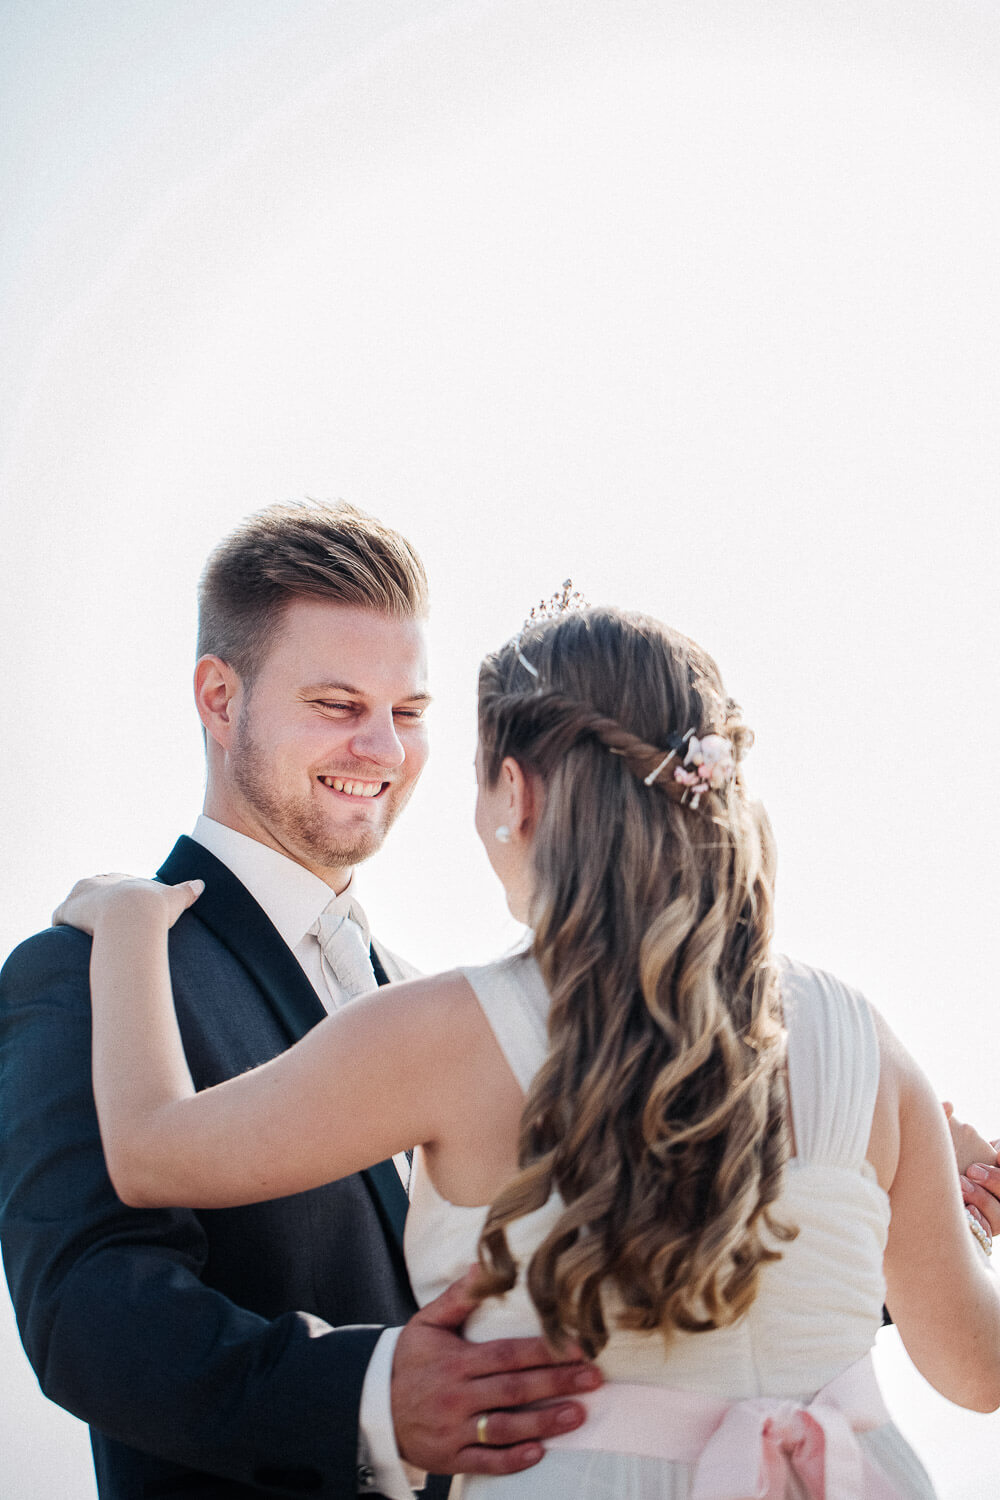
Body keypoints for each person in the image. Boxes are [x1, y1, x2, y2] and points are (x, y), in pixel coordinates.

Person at [49, 602, 1000, 1499]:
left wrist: (133, 923)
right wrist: (936, 1216)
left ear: (515, 791)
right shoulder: (866, 1040)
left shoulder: (448, 1030)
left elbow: (146, 1150)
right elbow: (977, 1371)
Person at [0, 503, 599, 1500]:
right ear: (218, 697)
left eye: (408, 713)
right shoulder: (83, 973)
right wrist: (365, 1395)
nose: (383, 750)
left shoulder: (424, 1002)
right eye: (336, 704)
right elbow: (92, 1314)